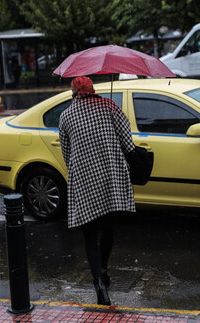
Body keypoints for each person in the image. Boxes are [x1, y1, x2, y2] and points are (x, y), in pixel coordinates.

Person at [58, 76, 136, 305]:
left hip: (83, 180)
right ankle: (103, 267)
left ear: (73, 93)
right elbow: (128, 143)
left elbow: (66, 154)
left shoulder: (66, 116)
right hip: (110, 177)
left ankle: (99, 284)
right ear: (93, 89)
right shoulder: (110, 106)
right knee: (108, 226)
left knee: (89, 235)